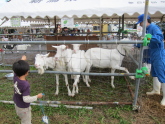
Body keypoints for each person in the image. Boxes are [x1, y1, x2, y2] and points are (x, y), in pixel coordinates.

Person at [136, 14, 165, 106]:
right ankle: (156, 90)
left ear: (145, 21)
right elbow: (146, 41)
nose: (140, 25)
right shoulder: (147, 29)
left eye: (140, 23)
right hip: (153, 52)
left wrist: (149, 37)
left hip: (158, 52)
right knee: (155, 72)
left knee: (161, 72)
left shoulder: (153, 27)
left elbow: (160, 37)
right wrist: (136, 45)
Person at [12, 55, 43, 124]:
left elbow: (16, 69)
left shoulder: (16, 77)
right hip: (24, 108)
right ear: (26, 73)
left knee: (23, 119)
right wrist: (37, 96)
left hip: (17, 104)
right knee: (26, 121)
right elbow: (26, 99)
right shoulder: (25, 85)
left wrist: (22, 60)